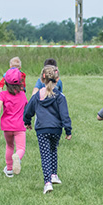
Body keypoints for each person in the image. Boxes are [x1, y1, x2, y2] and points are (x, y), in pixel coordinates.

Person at [24, 65, 72, 194]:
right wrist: (68, 130)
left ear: (42, 79)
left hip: (42, 129)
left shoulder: (37, 96)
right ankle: (54, 174)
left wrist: (27, 122)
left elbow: (28, 110)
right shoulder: (60, 96)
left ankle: (47, 182)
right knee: (53, 150)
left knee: (45, 155)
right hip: (56, 130)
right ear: (57, 79)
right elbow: (64, 115)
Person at [0, 69, 28, 178]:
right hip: (20, 127)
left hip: (7, 127)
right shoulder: (22, 95)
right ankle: (17, 157)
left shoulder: (2, 95)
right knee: (21, 148)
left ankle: (9, 170)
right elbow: (27, 109)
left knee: (9, 146)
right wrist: (28, 122)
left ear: (6, 83)